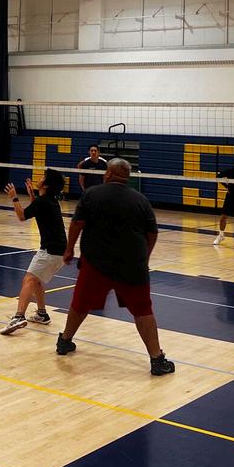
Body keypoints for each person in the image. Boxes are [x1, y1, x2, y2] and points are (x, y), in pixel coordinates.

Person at [55, 158, 175, 376]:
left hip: (95, 263)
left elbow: (77, 223)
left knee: (80, 303)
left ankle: (64, 341)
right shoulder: (141, 200)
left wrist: (69, 249)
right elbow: (152, 233)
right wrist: (144, 258)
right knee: (143, 310)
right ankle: (157, 360)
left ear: (108, 174)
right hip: (131, 266)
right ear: (127, 177)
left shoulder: (91, 194)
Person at [0, 170, 68, 334]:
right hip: (59, 251)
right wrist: (32, 194)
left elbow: (22, 216)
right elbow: (36, 209)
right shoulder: (49, 201)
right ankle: (42, 314)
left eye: (43, 177)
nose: (40, 178)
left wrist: (14, 197)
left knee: (29, 279)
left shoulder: (43, 202)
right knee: (37, 280)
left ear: (46, 185)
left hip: (50, 251)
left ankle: (19, 317)